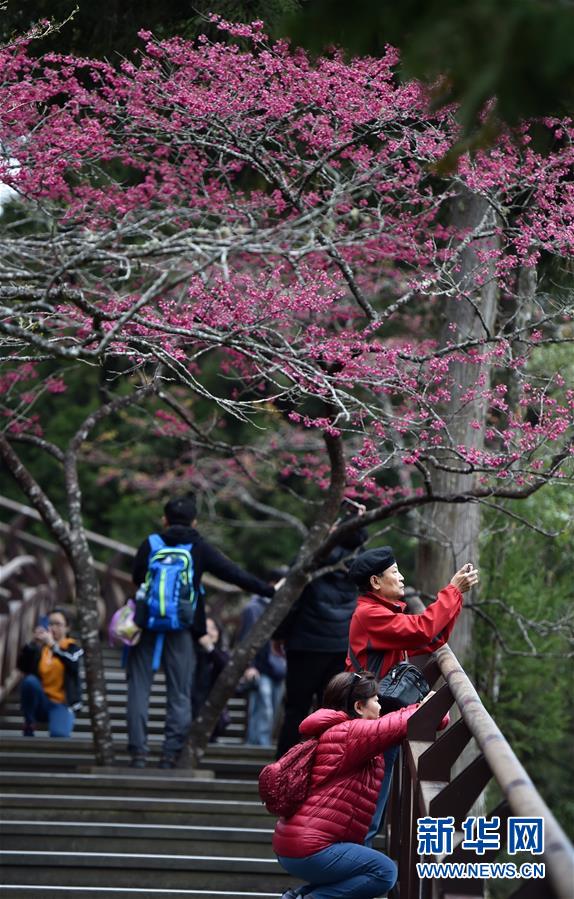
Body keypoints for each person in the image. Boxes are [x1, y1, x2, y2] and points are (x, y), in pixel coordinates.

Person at [128, 493, 277, 769]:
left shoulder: (150, 544)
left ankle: (138, 753)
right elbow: (232, 573)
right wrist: (268, 589)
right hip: (184, 629)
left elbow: (138, 578)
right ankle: (169, 754)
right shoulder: (197, 547)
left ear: (164, 519)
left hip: (146, 626)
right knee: (180, 692)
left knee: (139, 689)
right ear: (194, 522)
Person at [346, 545, 479, 847]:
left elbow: (432, 638)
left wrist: (455, 597)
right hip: (373, 722)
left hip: (379, 715)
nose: (402, 578)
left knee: (371, 811)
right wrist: (452, 591)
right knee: (368, 813)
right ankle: (346, 878)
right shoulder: (370, 615)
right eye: (395, 572)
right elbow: (422, 630)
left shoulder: (379, 612)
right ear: (376, 582)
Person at [273, 671, 448, 899]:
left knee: (359, 875)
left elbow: (420, 723)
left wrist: (433, 711)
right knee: (384, 872)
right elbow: (401, 722)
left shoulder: (344, 732)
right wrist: (428, 706)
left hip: (298, 844)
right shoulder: (349, 733)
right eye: (376, 700)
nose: (380, 706)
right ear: (358, 707)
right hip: (309, 848)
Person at [274, 523, 368, 759]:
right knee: (333, 710)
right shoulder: (360, 563)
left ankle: (285, 766)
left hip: (305, 644)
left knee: (296, 709)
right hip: (339, 645)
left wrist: (280, 634)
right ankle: (324, 766)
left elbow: (291, 596)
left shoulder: (314, 557)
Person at [237, 571, 287, 746]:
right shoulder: (254, 608)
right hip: (261, 665)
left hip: (278, 666)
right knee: (263, 707)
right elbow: (245, 638)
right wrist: (248, 665)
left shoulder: (282, 606)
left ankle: (259, 743)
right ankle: (258, 745)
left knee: (272, 709)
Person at [17, 607, 83, 738]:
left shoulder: (72, 647)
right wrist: (32, 644)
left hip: (61, 703)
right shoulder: (41, 648)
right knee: (29, 681)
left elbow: (73, 662)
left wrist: (53, 646)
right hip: (41, 701)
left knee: (59, 735)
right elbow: (22, 667)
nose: (53, 628)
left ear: (67, 628)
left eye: (58, 624)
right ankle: (29, 722)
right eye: (50, 623)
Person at [192, 615, 231, 742]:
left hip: (213, 715)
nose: (208, 632)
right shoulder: (192, 655)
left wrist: (210, 648)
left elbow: (227, 667)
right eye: (205, 628)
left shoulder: (221, 655)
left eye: (213, 628)